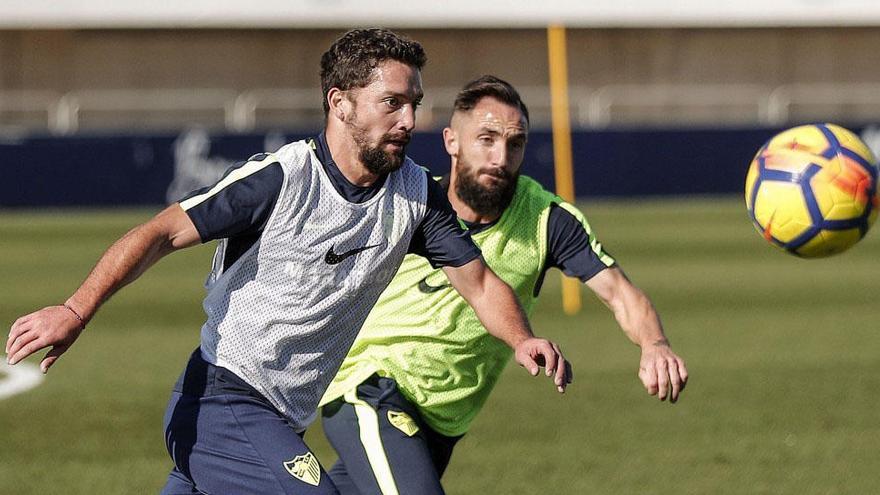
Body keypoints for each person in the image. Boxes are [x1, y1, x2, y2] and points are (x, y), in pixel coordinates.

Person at [4, 33, 571, 495]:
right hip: (220, 402)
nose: (408, 120)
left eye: (414, 104)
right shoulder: (282, 179)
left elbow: (477, 281)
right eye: (392, 102)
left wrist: (521, 339)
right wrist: (76, 309)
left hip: (273, 422)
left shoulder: (415, 196)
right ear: (340, 103)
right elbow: (159, 233)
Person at [319, 75, 689, 495]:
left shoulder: (547, 220)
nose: (501, 156)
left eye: (515, 144)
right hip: (370, 387)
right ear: (452, 142)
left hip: (442, 424)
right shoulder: (409, 198)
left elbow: (620, 293)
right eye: (487, 139)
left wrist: (654, 344)